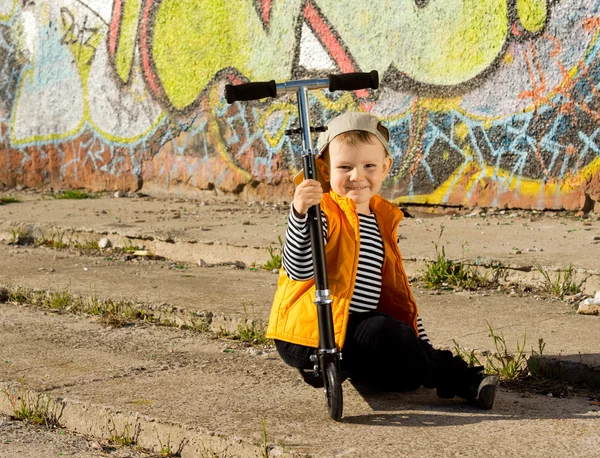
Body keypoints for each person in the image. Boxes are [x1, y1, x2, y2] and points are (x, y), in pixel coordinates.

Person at [265, 112, 499, 409]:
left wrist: (418, 345)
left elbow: (398, 296)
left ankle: (367, 367)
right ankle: (461, 379)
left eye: (369, 166)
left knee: (403, 366)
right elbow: (299, 269)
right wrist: (299, 214)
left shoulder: (382, 221)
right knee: (382, 334)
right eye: (345, 167)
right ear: (324, 169)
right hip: (309, 331)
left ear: (386, 167)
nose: (356, 176)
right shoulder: (323, 212)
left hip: (356, 333)